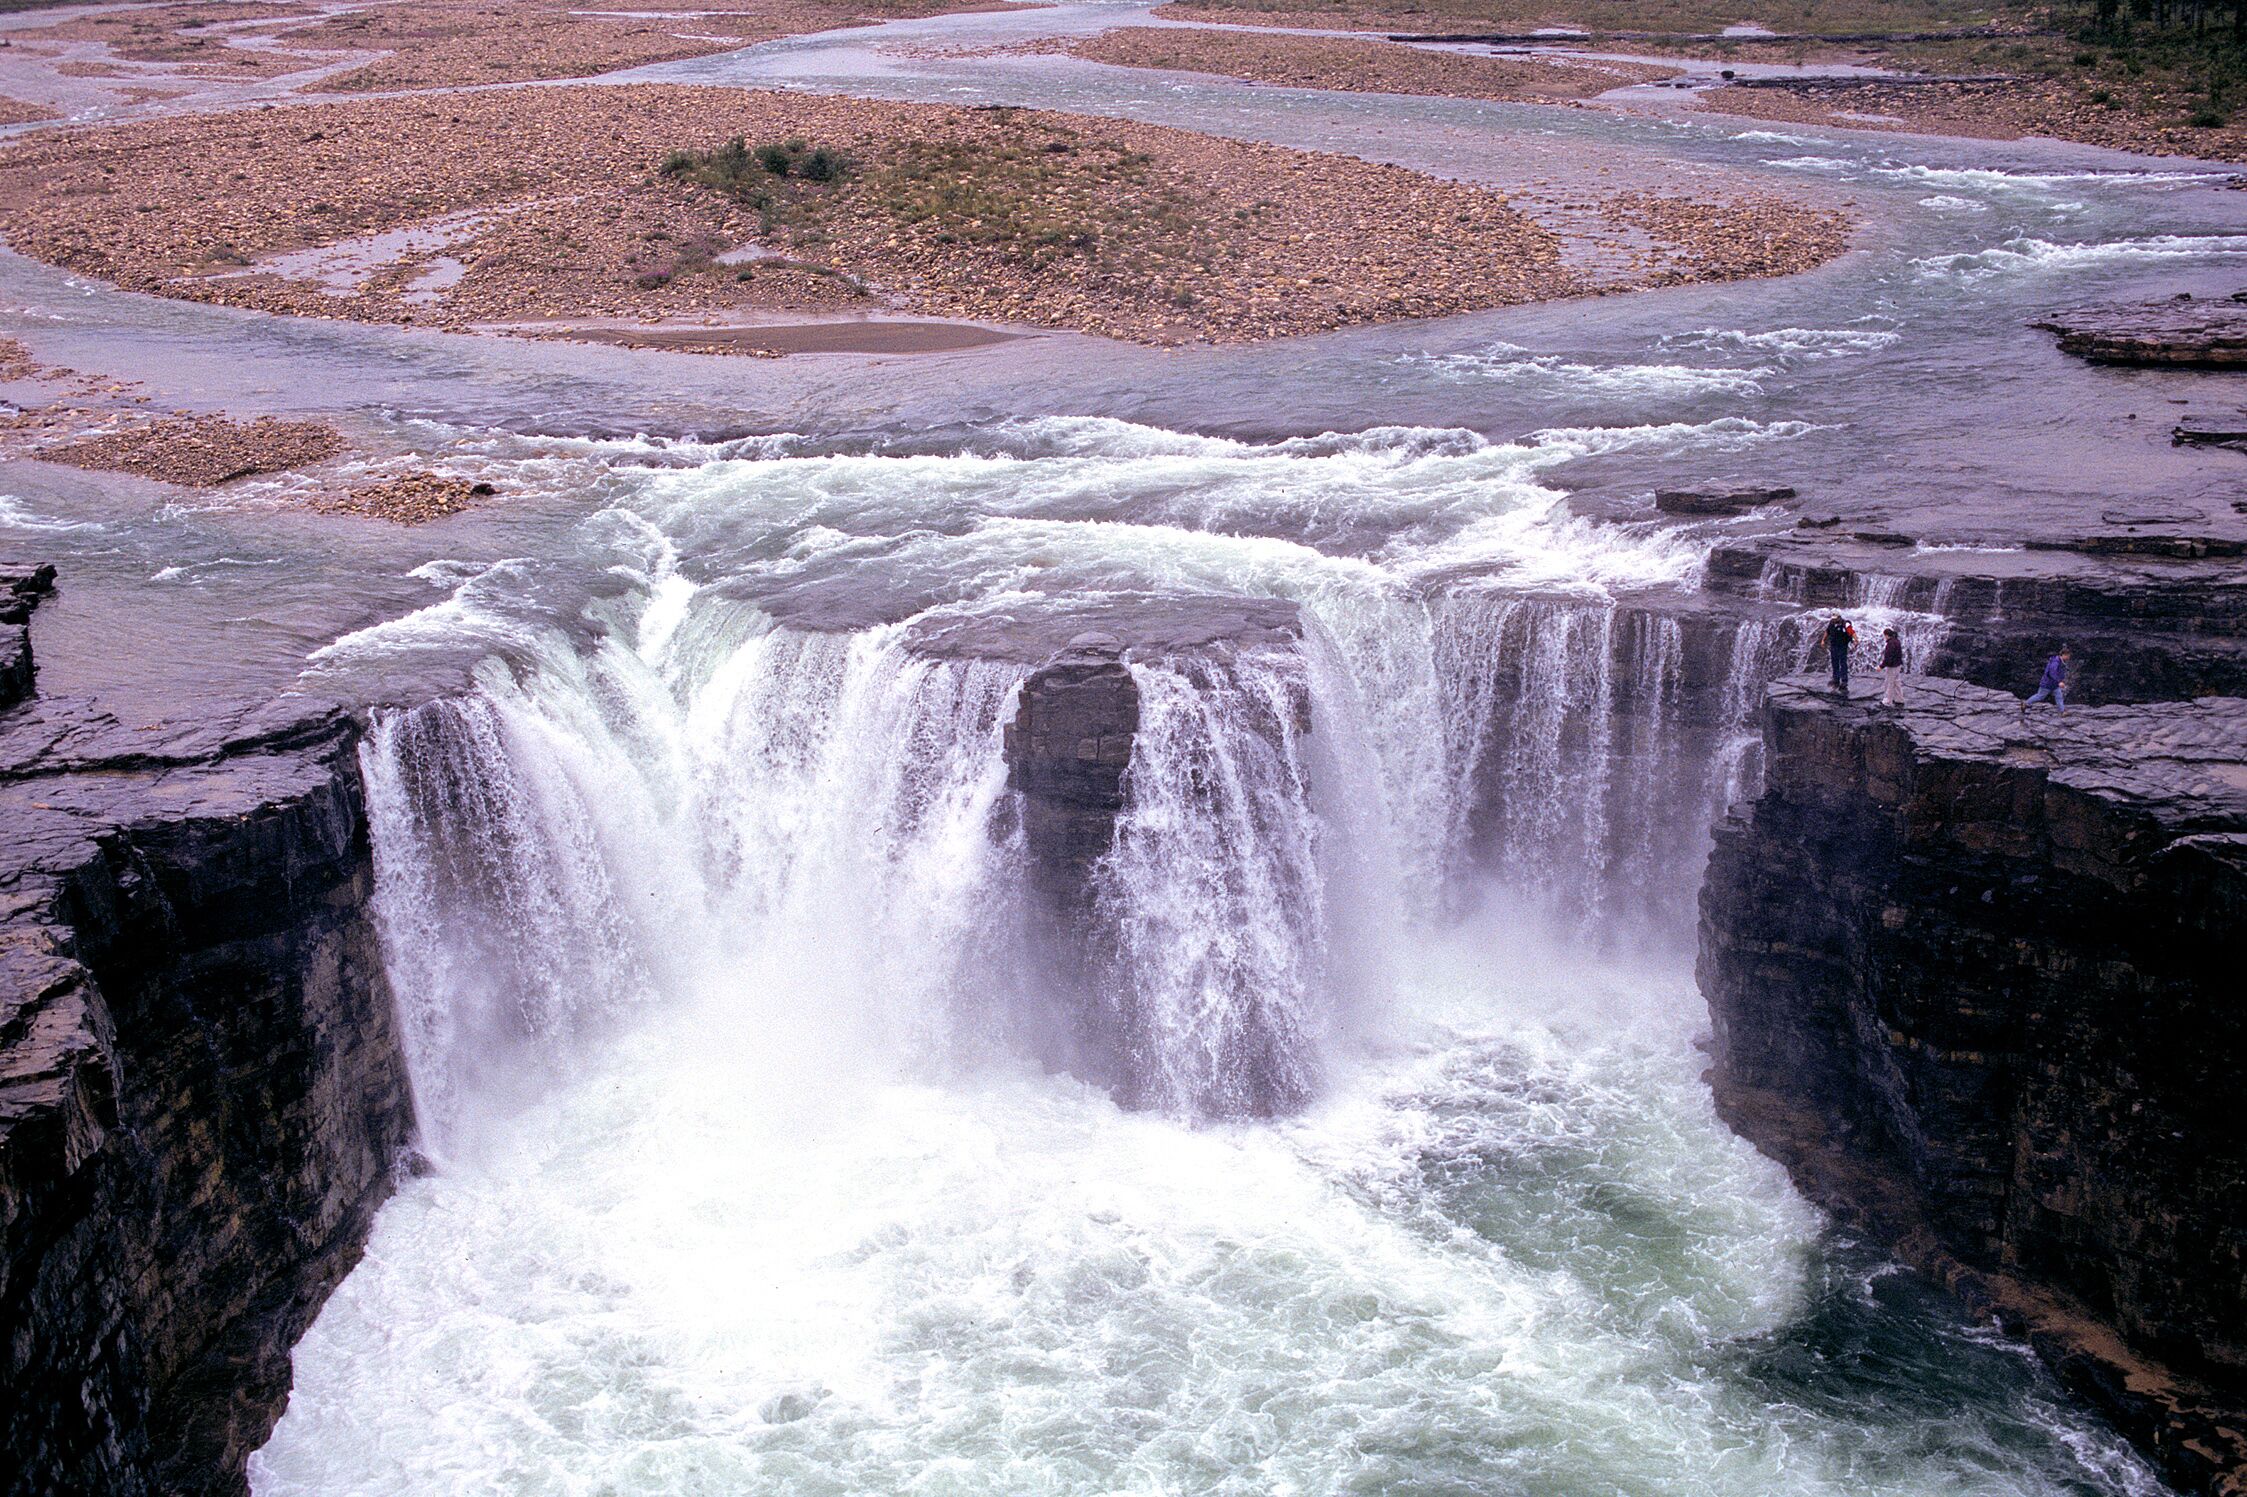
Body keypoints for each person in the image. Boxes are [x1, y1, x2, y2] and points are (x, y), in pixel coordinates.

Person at [2023, 645, 2072, 714]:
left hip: (2054, 684)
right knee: (2040, 696)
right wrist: (2059, 682)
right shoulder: (2055, 662)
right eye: (2068, 656)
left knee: (2059, 697)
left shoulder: (2060, 661)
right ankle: (2026, 703)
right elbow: (2052, 673)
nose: (2068, 657)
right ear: (2063, 655)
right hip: (2047, 683)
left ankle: (2062, 711)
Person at [1822, 614, 1856, 695]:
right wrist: (1823, 640)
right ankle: (1836, 678)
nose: (1834, 620)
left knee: (1843, 663)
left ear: (1839, 618)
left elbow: (1852, 632)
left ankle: (1844, 680)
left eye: (1835, 618)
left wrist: (1856, 641)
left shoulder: (1845, 624)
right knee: (1834, 662)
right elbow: (1827, 631)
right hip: (1834, 645)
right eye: (1833, 618)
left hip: (1842, 646)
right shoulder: (1831, 623)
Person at [1879, 627, 1905, 706]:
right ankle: (1899, 699)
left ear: (1887, 635)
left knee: (1889, 682)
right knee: (1897, 681)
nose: (1884, 637)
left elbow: (1888, 657)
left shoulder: (1890, 644)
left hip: (1892, 666)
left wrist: (1881, 666)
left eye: (1884, 636)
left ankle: (1888, 701)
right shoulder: (1897, 641)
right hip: (1898, 664)